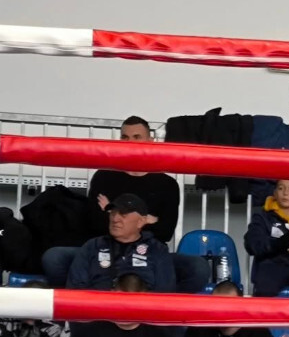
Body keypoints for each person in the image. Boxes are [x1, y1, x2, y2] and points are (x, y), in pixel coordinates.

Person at [41, 116, 209, 292]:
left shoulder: (166, 184)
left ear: (150, 142)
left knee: (198, 267)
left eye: (137, 137)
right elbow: (94, 224)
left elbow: (165, 231)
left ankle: (154, 310)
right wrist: (144, 219)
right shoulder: (104, 176)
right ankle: (87, 308)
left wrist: (109, 212)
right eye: (125, 137)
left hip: (149, 250)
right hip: (105, 248)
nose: (130, 142)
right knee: (54, 258)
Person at [65, 193, 176, 293]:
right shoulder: (93, 246)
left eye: (123, 214)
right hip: (98, 310)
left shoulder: (157, 249)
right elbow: (75, 290)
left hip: (140, 311)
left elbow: (165, 294)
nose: (115, 219)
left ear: (141, 222)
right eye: (113, 213)